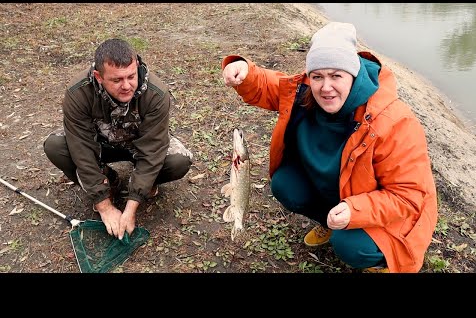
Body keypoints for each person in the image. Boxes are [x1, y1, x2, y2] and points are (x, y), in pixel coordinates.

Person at [221, 22, 438, 273]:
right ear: (309, 76)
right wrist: (244, 72)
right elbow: (271, 86)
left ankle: (381, 262)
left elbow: (407, 197)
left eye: (336, 76)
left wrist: (355, 211)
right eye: (317, 76)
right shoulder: (305, 93)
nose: (326, 87)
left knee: (349, 245)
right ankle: (331, 219)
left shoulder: (395, 122)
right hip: (342, 189)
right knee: (285, 184)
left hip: (395, 217)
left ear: (354, 75)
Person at [44, 38, 193, 240]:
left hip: (137, 147)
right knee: (56, 146)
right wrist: (104, 206)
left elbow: (152, 150)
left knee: (179, 160)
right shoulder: (77, 93)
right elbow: (82, 149)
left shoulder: (156, 94)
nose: (126, 86)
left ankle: (143, 185)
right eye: (116, 80)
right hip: (100, 145)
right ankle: (109, 181)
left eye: (131, 76)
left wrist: (132, 206)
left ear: (137, 67)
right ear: (99, 76)